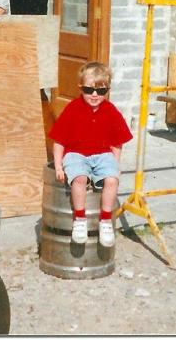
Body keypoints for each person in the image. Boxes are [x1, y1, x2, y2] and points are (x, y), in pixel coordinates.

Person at [48, 61, 133, 247]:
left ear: (107, 90)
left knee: (112, 179)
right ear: (80, 88)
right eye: (89, 90)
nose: (95, 95)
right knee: (79, 178)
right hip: (76, 154)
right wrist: (59, 166)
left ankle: (105, 221)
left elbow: (117, 142)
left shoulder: (111, 111)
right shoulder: (72, 109)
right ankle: (79, 219)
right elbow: (59, 140)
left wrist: (114, 165)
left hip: (102, 154)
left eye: (101, 91)